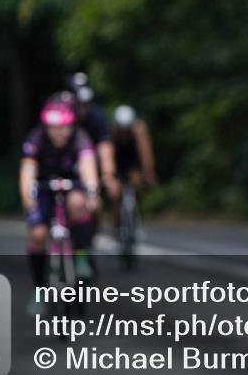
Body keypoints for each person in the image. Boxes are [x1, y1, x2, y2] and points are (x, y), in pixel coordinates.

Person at [19, 93, 100, 312]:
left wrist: (92, 194)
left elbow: (88, 169)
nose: (59, 133)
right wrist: (29, 201)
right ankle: (39, 291)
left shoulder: (81, 138)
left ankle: (81, 255)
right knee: (37, 235)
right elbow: (27, 174)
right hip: (44, 188)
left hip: (72, 184)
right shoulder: (35, 139)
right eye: (53, 128)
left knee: (78, 203)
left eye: (63, 127)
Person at [66, 72, 120, 204]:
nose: (83, 108)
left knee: (96, 198)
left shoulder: (97, 116)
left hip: (89, 160)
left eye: (86, 103)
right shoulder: (58, 117)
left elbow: (105, 145)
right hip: (63, 160)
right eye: (79, 103)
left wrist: (108, 175)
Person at [110, 105, 158, 237]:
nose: (125, 132)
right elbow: (108, 155)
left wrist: (149, 172)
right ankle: (117, 226)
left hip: (133, 159)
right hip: (118, 160)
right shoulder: (112, 132)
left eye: (127, 129)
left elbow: (145, 153)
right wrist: (110, 176)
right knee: (116, 195)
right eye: (122, 129)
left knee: (136, 185)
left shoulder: (139, 130)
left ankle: (138, 218)